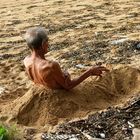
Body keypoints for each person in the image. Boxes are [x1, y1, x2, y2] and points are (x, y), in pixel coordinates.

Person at [23, 27, 109, 90]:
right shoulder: (50, 65)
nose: (48, 45)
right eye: (47, 42)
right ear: (43, 44)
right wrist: (90, 71)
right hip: (59, 97)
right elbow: (68, 86)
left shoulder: (26, 60)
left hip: (45, 89)